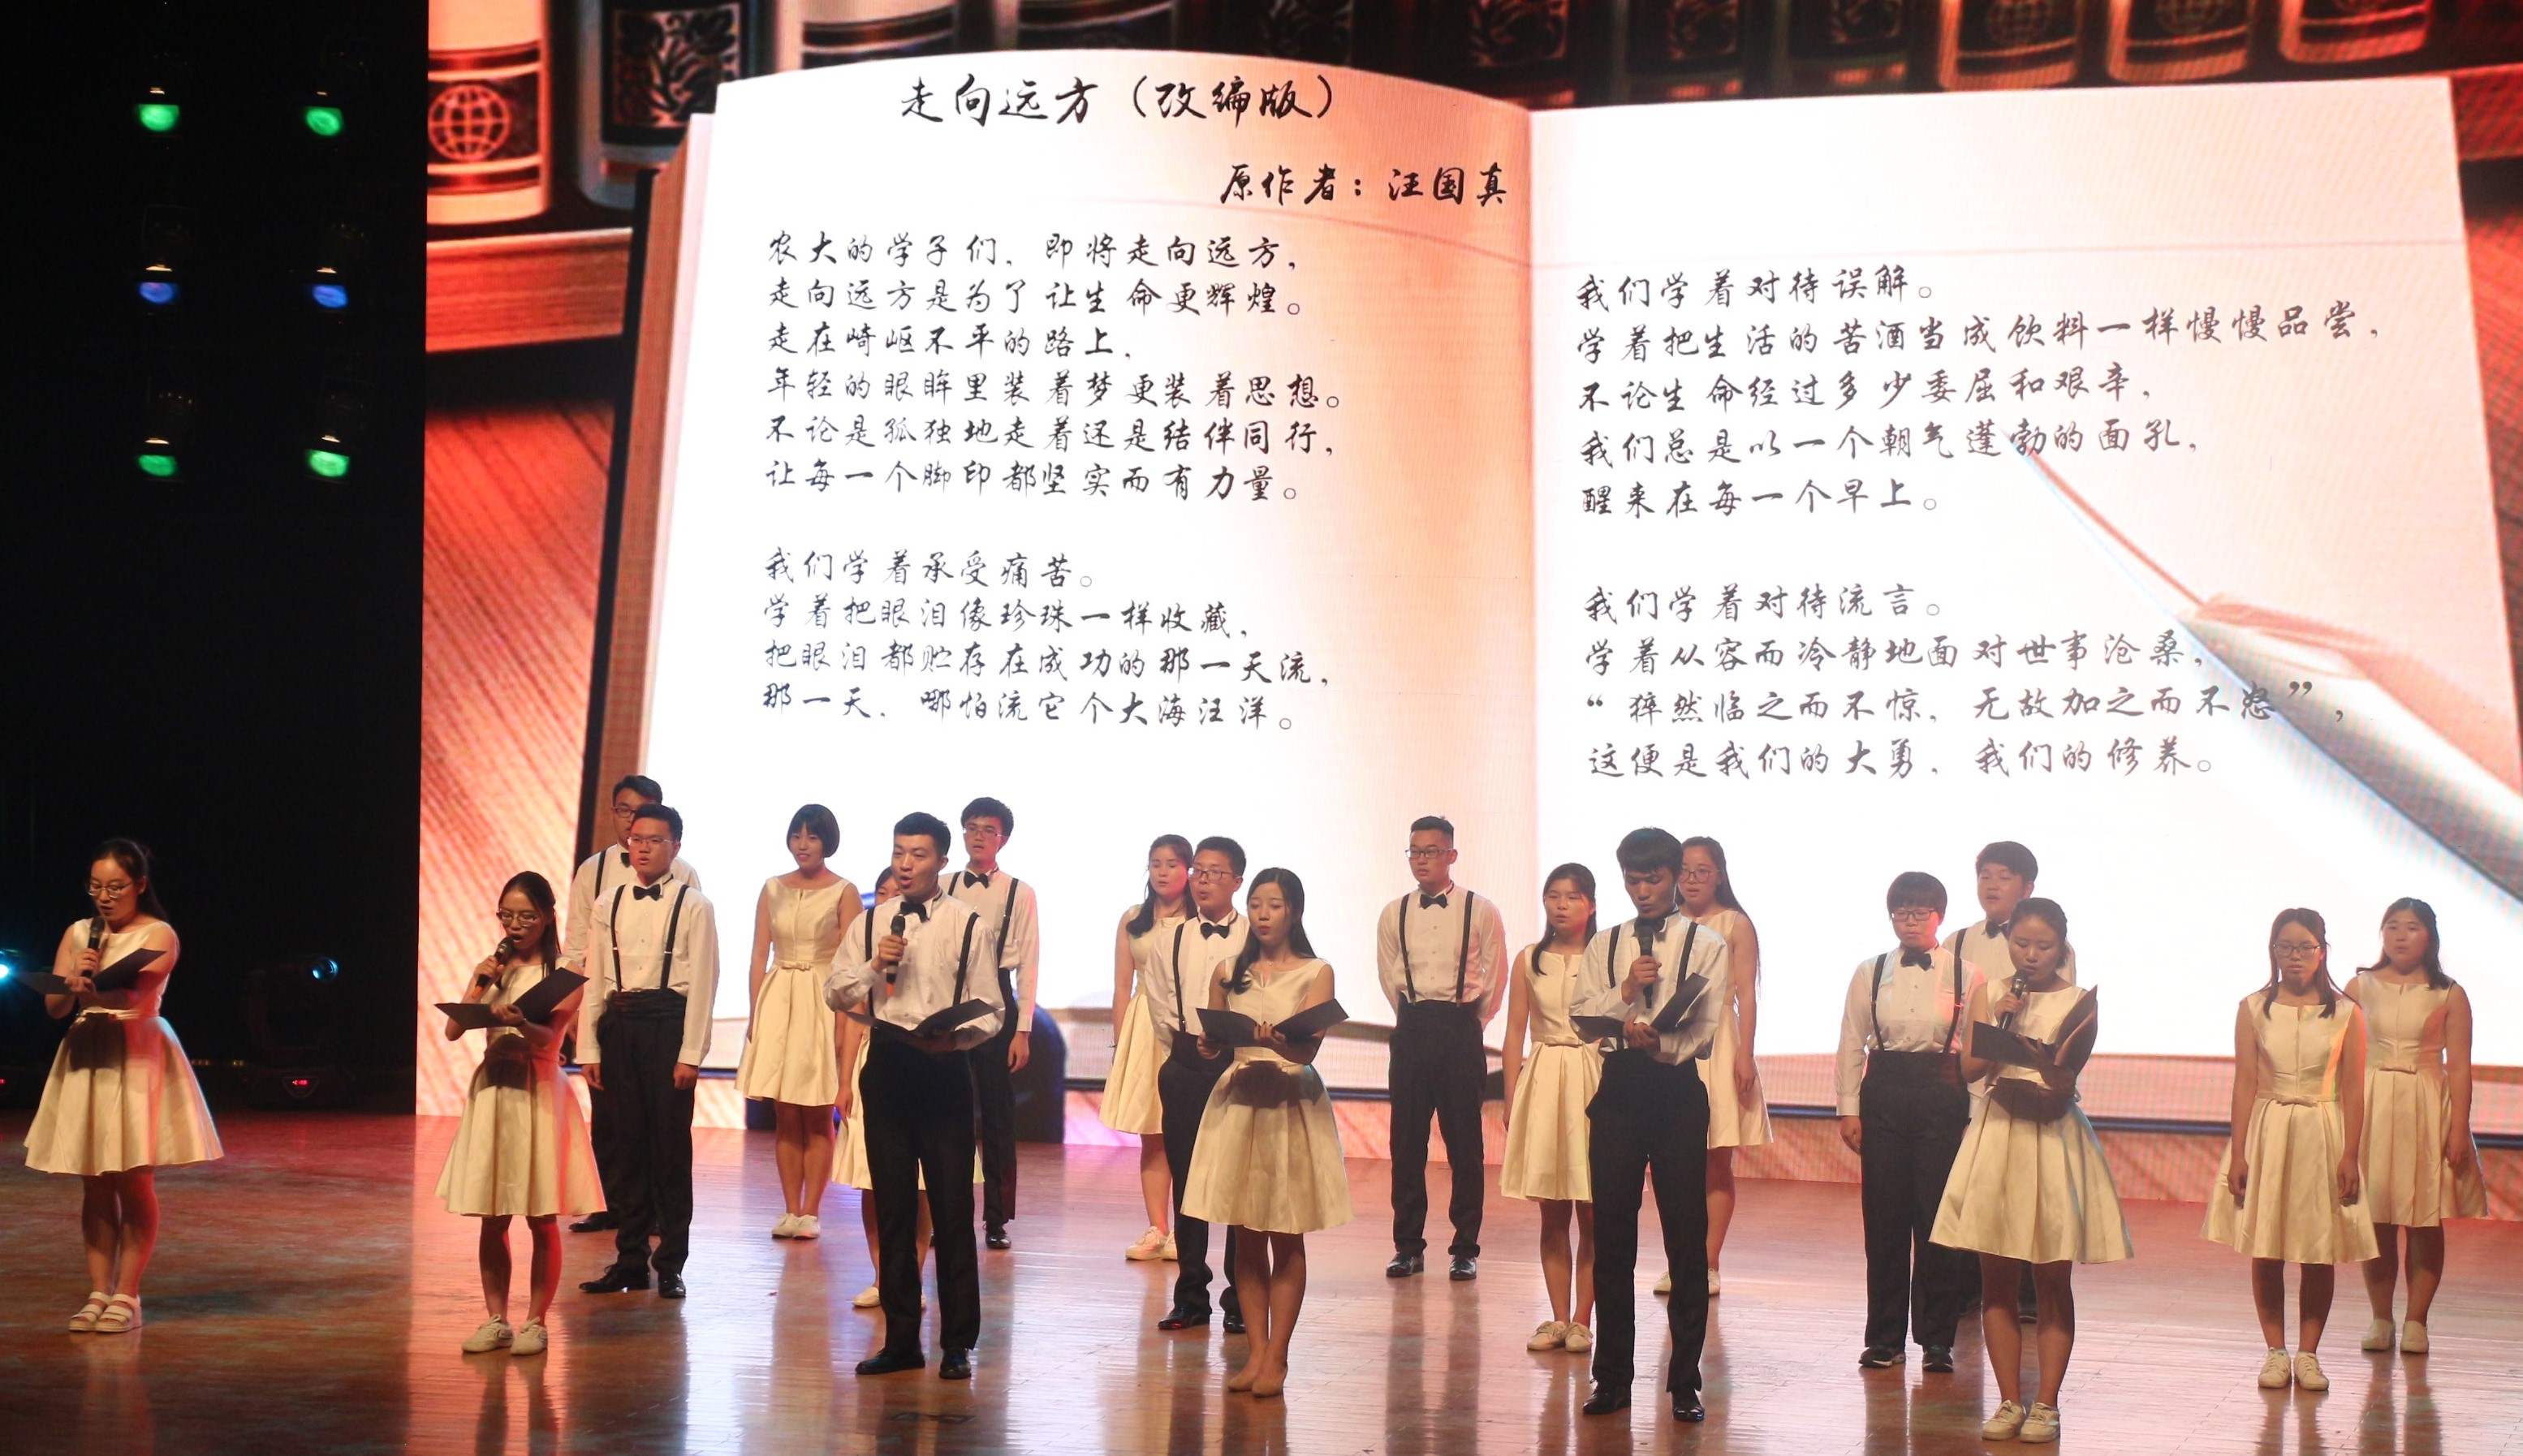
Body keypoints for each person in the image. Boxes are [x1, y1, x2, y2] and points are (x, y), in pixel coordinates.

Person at [1931, 898, 2129, 1445]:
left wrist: (2047, 1064)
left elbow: (2066, 1083)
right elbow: (1970, 1069)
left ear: (2062, 947)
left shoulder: (2077, 1003)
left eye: (2043, 946)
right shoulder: (1991, 993)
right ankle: (2008, 1401)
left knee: (2050, 1277)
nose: (2031, 955)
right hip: (1999, 1131)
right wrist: (2001, 1025)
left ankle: (2047, 1404)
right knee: (1996, 1275)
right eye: (2022, 944)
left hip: (2051, 1136)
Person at [24, 838, 222, 1335]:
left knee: (132, 1177)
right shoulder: (79, 933)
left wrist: (94, 988)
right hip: (87, 1051)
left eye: (115, 887)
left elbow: (132, 994)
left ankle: (128, 1295)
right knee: (94, 1179)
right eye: (96, 887)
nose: (104, 896)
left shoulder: (159, 934)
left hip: (136, 1051)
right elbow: (55, 1008)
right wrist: (73, 981)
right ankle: (98, 1291)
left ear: (140, 884)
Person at [827, 812, 1000, 1381]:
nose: (905, 864)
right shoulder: (871, 922)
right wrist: (875, 964)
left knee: (952, 1211)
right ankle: (901, 1340)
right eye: (899, 852)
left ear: (942, 862)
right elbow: (836, 991)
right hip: (888, 1066)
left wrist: (957, 1037)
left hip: (944, 1069)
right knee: (894, 1209)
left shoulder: (969, 925)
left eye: (918, 854)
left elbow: (992, 1010)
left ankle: (958, 1343)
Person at [1574, 827, 1732, 1424]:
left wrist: (1655, 1041)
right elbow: (1581, 1016)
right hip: (1618, 1092)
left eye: (1653, 879)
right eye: (1632, 881)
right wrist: (1624, 997)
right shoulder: (1606, 942)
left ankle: (1684, 1383)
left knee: (1686, 1240)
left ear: (1677, 878)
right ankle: (1612, 1379)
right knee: (1612, 1237)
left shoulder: (1706, 943)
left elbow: (1705, 1029)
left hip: (1676, 1093)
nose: (1642, 891)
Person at [1180, 868, 1352, 1398]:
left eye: (1274, 905)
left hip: (1288, 1100)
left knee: (1285, 1230)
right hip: (1240, 1098)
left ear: (1293, 912)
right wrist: (1210, 1044)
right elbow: (1213, 1039)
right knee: (1246, 1234)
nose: (1262, 914)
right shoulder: (1228, 971)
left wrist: (1280, 1043)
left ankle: (1278, 1356)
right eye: (1256, 904)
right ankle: (1255, 1353)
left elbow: (1307, 1050)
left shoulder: (1316, 971)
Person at [2205, 908, 2378, 1393]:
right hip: (2270, 1129)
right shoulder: (2253, 1007)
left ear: (2322, 951)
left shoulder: (2346, 1012)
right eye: (2285, 947)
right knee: (2268, 1245)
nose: (2294, 956)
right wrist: (2240, 1153)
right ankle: (2275, 1352)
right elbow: (2244, 1083)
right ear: (2273, 951)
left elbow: (2353, 1090)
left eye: (2304, 947)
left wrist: (2350, 1154)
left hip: (2322, 1130)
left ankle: (2309, 1354)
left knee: (2318, 1247)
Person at [437, 872, 602, 1356]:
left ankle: (536, 1321)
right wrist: (477, 989)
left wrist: (522, 1021)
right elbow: (452, 1031)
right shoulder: (493, 968)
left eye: (526, 916)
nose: (515, 925)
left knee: (540, 1215)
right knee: (493, 1214)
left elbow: (551, 1037)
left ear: (547, 917)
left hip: (537, 1089)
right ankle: (495, 1319)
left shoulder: (564, 973)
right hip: (493, 1090)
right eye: (507, 915)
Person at [576, 803, 720, 1300]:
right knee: (625, 1147)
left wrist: (691, 1054)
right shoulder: (608, 902)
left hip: (667, 1026)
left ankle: (671, 1262)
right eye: (636, 839)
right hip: (621, 1027)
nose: (642, 847)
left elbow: (704, 982)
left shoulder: (694, 905)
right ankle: (630, 1260)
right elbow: (596, 978)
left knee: (669, 1150)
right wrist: (590, 1046)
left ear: (675, 847)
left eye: (655, 840)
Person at [1834, 871, 1975, 1374]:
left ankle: (1938, 1340)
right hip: (1885, 1092)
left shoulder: (1967, 974)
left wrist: (1975, 1114)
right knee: (1884, 1219)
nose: (1910, 921)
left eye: (1920, 912)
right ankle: (1884, 1338)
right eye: (1901, 913)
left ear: (1940, 916)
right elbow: (1851, 1040)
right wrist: (1848, 1108)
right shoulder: (1870, 971)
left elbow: (1975, 1051)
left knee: (1937, 1220)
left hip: (1942, 1093)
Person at [561, 773, 700, 1237]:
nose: (632, 827)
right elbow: (577, 948)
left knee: (663, 1125)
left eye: (641, 814)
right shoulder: (594, 872)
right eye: (624, 812)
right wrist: (577, 1015)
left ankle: (658, 1217)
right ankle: (614, 1206)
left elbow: (696, 963)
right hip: (613, 1010)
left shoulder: (685, 880)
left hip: (662, 1014)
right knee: (611, 1119)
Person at [2344, 898, 2481, 1355]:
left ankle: (2417, 1321)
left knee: (2424, 1218)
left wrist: (2458, 1129)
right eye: (2393, 926)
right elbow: (2342, 1059)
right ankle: (2381, 1318)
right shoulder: (2359, 987)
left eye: (2412, 927)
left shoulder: (2449, 993)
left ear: (2430, 936)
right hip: (2372, 1103)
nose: (2401, 936)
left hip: (2425, 1104)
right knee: (2376, 1215)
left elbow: (2459, 1068)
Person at [1376, 815, 1507, 1282]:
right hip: (1412, 1029)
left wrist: (1470, 1022)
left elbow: (1495, 976)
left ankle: (1465, 1248)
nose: (1422, 860)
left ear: (1451, 855)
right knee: (1406, 1144)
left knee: (1465, 1145)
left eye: (1431, 851)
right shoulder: (1394, 912)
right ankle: (1407, 1247)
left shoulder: (1481, 909)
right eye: (1414, 851)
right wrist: (1414, 1018)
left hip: (1460, 1029)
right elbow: (1388, 976)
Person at [1946, 841, 2069, 1325]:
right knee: (1978, 1192)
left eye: (2004, 877)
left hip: (2031, 1087)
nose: (1992, 885)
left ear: (2027, 887)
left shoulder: (2058, 948)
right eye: (1985, 876)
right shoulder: (1957, 941)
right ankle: (1973, 1288)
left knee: (2029, 1190)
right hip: (1977, 1082)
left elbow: (2060, 1015)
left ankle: (2029, 1291)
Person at [835, 868, 960, 1310]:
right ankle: (883, 1276)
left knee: (919, 1184)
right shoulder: (866, 948)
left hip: (925, 1059)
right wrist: (844, 1081)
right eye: (882, 894)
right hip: (876, 1062)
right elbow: (851, 1019)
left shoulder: (938, 938)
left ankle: (913, 1278)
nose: (890, 901)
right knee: (872, 1181)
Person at [734, 803, 860, 1239]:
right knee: (786, 1111)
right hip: (779, 996)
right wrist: (756, 1012)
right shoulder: (772, 888)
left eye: (812, 836)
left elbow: (851, 964)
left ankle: (811, 1211)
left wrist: (844, 1022)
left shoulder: (844, 891)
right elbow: (758, 954)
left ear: (828, 842)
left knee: (817, 1110)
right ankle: (790, 1209)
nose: (803, 844)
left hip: (822, 998)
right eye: (796, 835)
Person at [1148, 836, 1251, 1334]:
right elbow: (1160, 1006)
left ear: (1237, 881)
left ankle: (1240, 1297)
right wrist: (1187, 1048)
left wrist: (1230, 1045)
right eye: (1200, 872)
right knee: (1188, 1181)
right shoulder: (1170, 937)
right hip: (1186, 1064)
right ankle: (1190, 1296)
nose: (1204, 881)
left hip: (1239, 1066)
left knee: (1236, 1183)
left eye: (1216, 873)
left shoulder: (1254, 937)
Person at [1499, 864, 1602, 1355]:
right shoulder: (1529, 959)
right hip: (1543, 1079)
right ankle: (1559, 1318)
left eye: (1573, 896)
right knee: (1552, 1209)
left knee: (1593, 1207)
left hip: (1592, 1076)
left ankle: (1584, 1319)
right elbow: (1514, 1029)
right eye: (1553, 896)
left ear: (1591, 905)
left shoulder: (1607, 958)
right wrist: (1511, 1094)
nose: (1561, 905)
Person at [942, 796, 1040, 1251]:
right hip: (950, 997)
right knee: (948, 1113)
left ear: (1004, 839)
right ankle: (946, 1213)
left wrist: (1023, 1030)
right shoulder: (943, 885)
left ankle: (997, 1218)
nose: (979, 836)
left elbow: (1030, 963)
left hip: (997, 998)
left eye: (989, 830)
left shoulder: (1020, 892)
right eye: (972, 827)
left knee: (997, 1115)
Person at [1676, 835, 1767, 1300]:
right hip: (1674, 1045)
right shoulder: (1666, 922)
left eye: (1702, 871)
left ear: (1719, 875)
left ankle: (1707, 1264)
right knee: (1677, 1162)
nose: (1692, 880)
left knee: (1716, 1159)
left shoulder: (1735, 923)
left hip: (1720, 1042)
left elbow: (1747, 994)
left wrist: (1745, 1054)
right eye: (1684, 871)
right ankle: (1681, 1261)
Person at [1106, 834, 1194, 1260]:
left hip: (1186, 1027)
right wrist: (1120, 1044)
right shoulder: (1133, 919)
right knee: (1152, 1134)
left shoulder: (1200, 921)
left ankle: (1186, 1230)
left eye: (1172, 864)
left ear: (1189, 871)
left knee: (1186, 1134)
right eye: (1156, 863)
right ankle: (1157, 1228)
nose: (1162, 871)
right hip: (1144, 1028)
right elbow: (1123, 987)